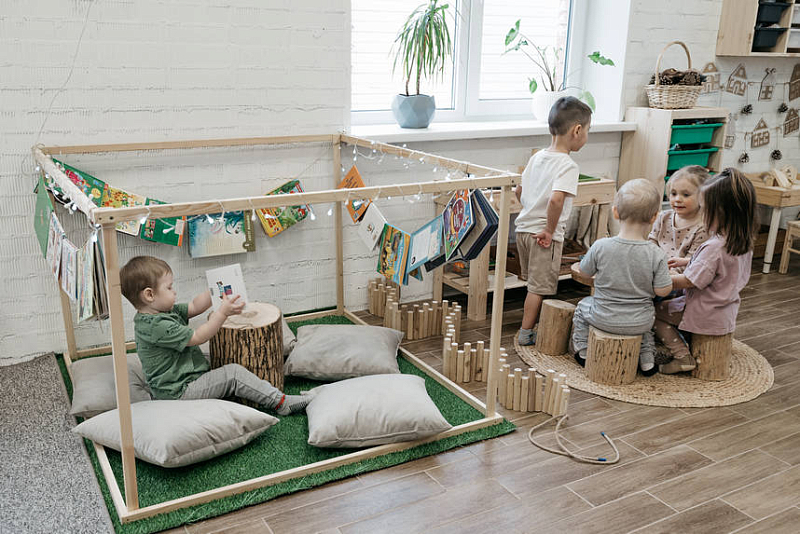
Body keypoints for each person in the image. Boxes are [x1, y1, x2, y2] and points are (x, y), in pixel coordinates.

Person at [119, 255, 309, 415]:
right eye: (169, 288)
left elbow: (194, 306)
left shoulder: (163, 312)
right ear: (149, 295)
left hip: (185, 374)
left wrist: (216, 289)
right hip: (179, 393)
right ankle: (280, 402)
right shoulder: (156, 326)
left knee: (217, 356)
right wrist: (222, 313)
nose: (174, 291)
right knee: (233, 373)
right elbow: (198, 337)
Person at [654, 168, 757, 374]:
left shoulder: (714, 247)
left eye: (705, 208)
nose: (702, 214)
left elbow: (689, 281)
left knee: (653, 313)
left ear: (720, 213)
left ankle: (681, 355)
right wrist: (687, 260)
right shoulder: (742, 242)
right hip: (724, 308)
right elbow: (717, 269)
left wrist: (660, 279)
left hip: (702, 311)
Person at [570, 179, 673, 375]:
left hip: (602, 317)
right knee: (646, 324)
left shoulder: (601, 246)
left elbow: (584, 272)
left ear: (615, 212)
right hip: (640, 321)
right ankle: (647, 360)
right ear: (654, 217)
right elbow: (663, 291)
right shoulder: (656, 253)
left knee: (582, 307)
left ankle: (582, 351)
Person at [516, 96, 592, 346]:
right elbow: (556, 200)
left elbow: (519, 190)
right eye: (588, 130)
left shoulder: (537, 157)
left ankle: (529, 326)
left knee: (532, 284)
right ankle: (526, 333)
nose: (587, 136)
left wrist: (529, 209)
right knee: (538, 289)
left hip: (523, 231)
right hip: (543, 236)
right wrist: (549, 230)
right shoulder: (568, 165)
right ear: (577, 130)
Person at [648, 165, 710, 274]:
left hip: (679, 275)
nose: (677, 199)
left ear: (703, 196)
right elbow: (652, 242)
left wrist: (666, 273)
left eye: (685, 195)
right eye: (673, 193)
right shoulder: (663, 217)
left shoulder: (703, 227)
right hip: (656, 266)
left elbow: (692, 261)